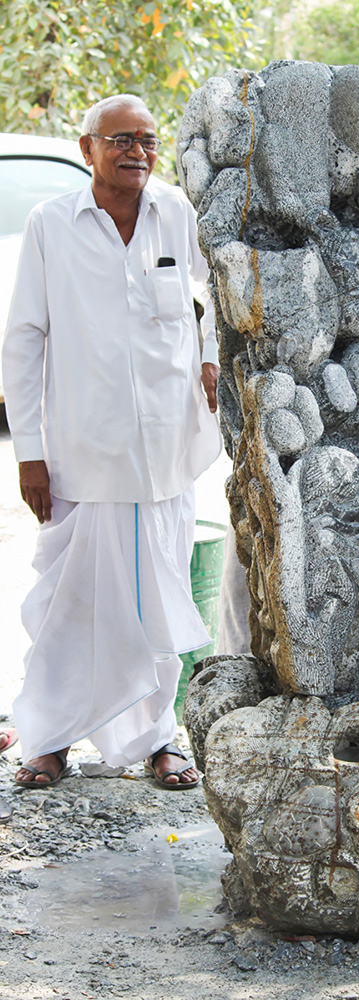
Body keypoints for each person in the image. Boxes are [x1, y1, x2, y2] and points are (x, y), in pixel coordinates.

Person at [2, 95, 222, 789]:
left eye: (147, 140)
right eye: (121, 139)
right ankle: (50, 739)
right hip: (83, 455)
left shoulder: (175, 212)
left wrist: (210, 356)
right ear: (87, 148)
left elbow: (218, 291)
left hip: (165, 456)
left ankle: (160, 740)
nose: (137, 151)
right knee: (71, 606)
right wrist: (29, 452)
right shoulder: (51, 224)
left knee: (158, 602)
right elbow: (24, 338)